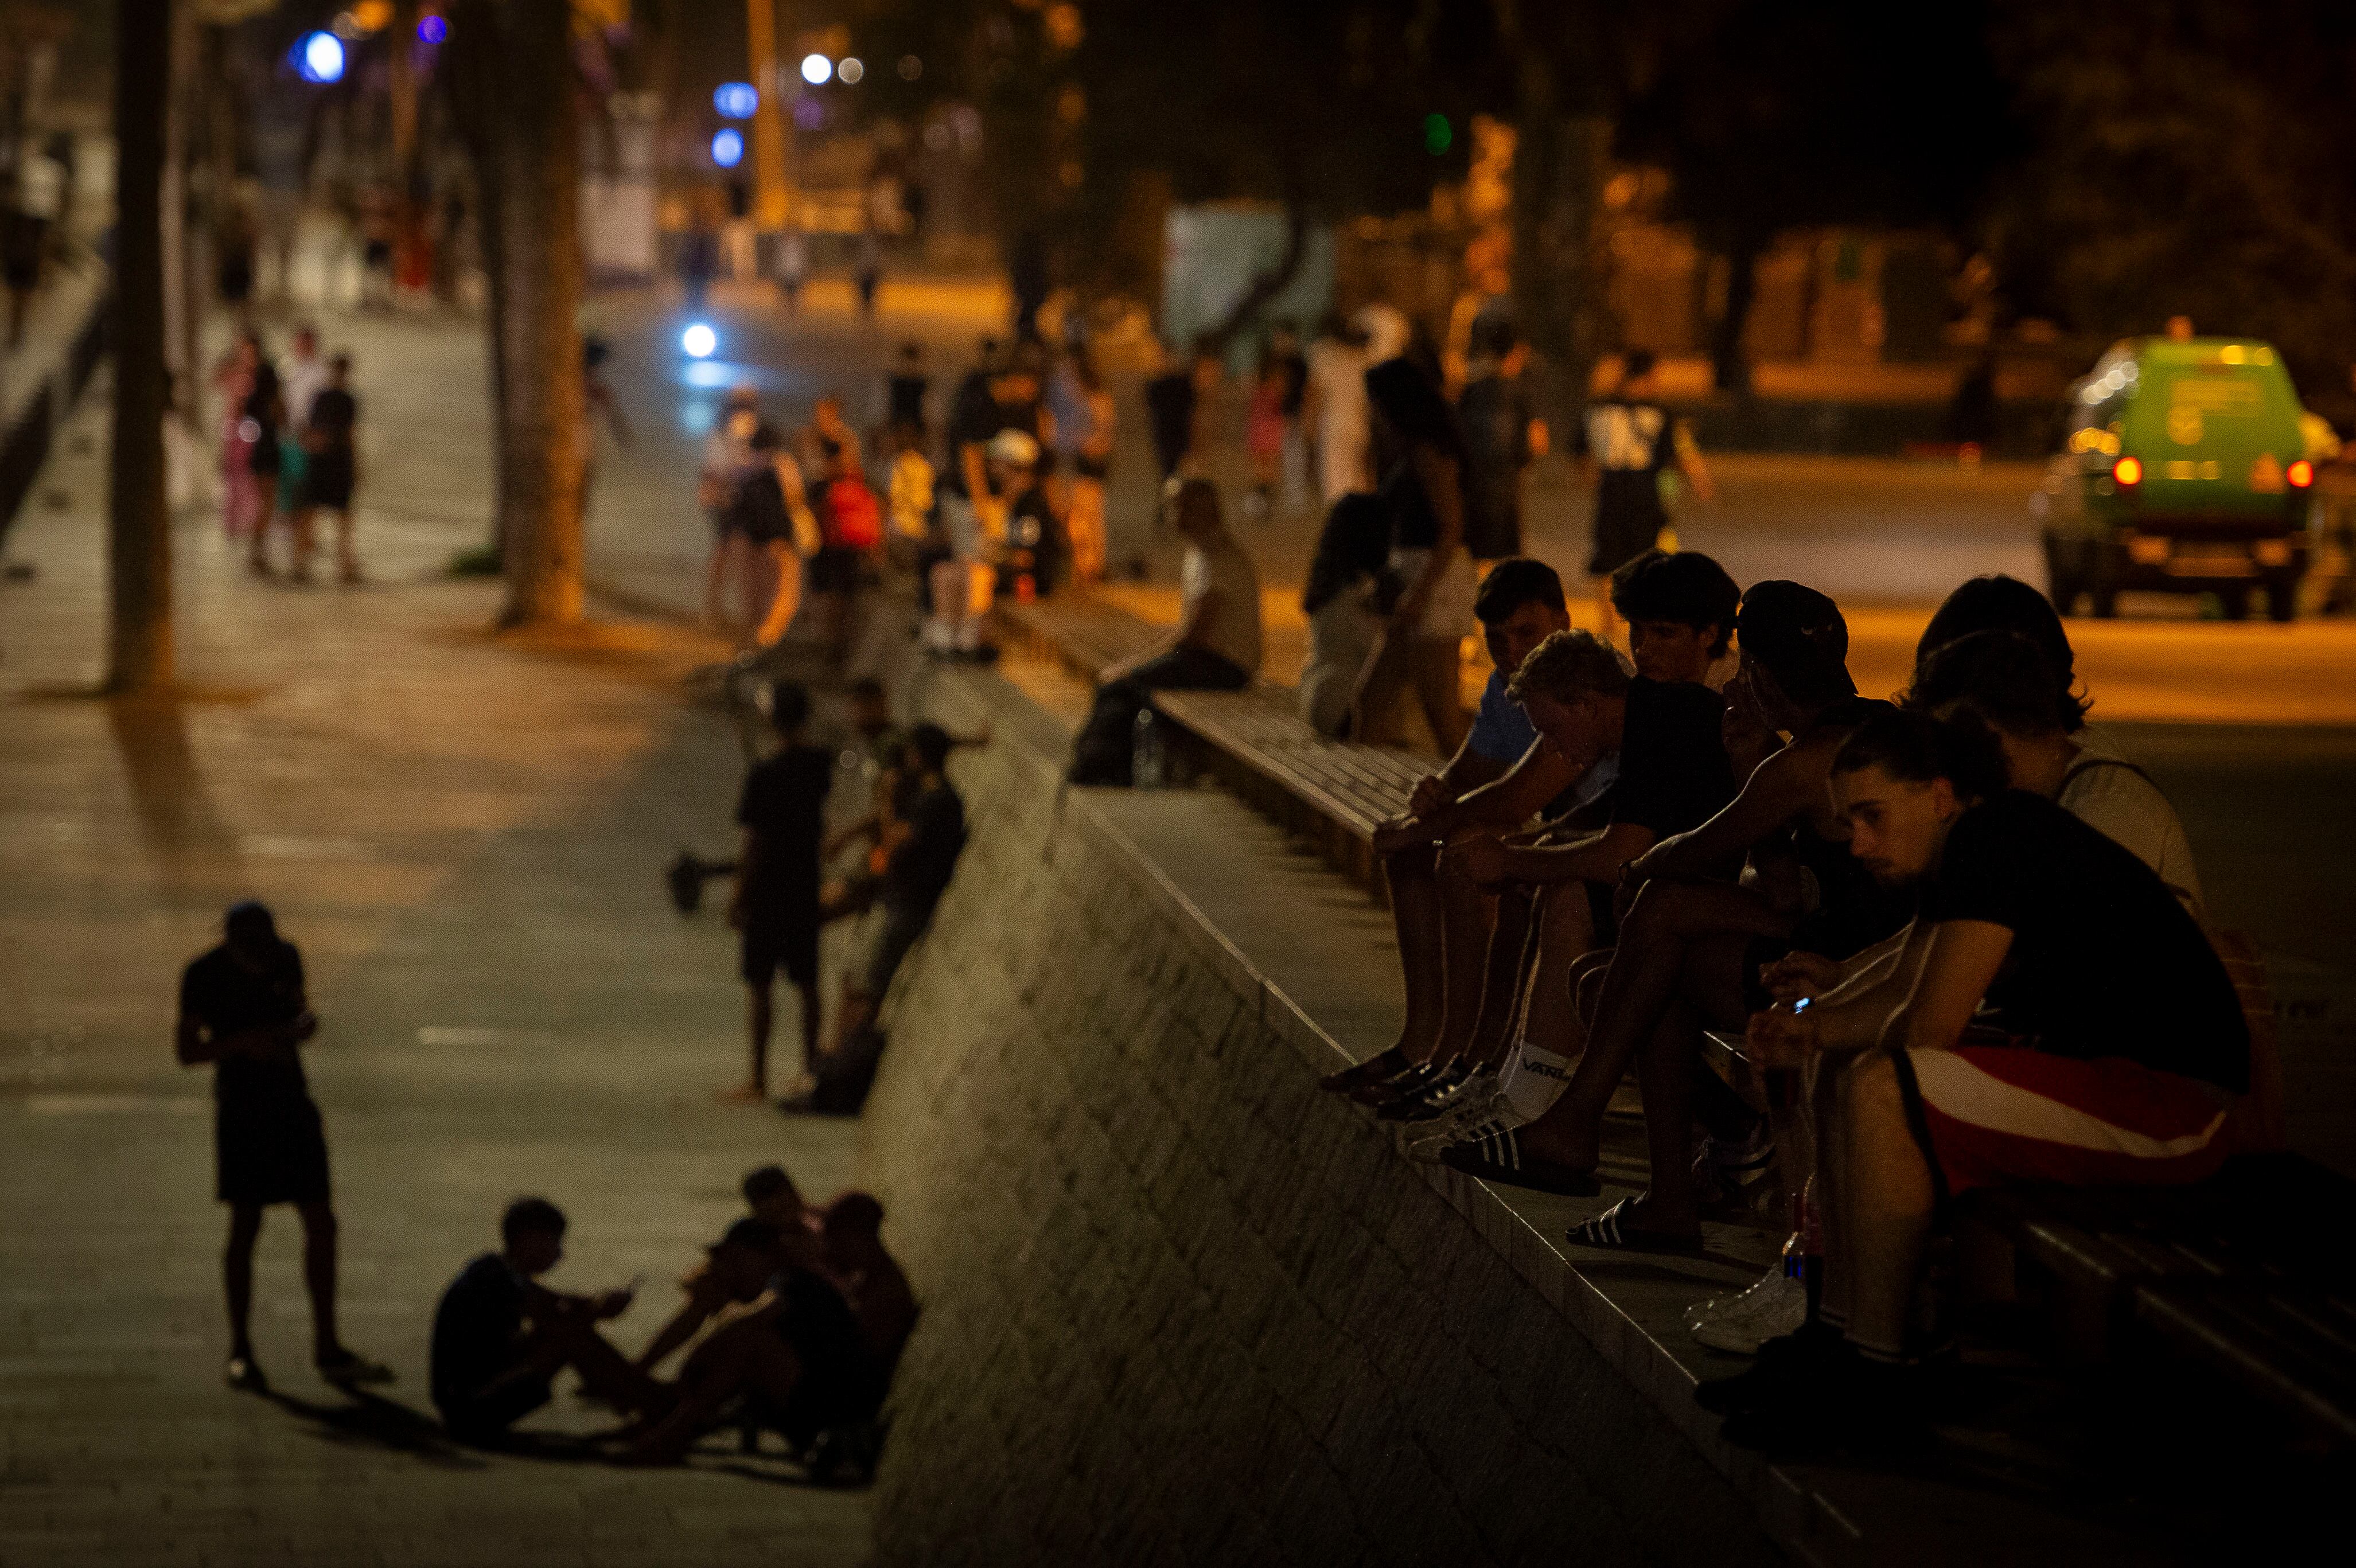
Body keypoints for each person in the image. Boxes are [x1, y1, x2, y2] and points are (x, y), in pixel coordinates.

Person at [1710, 710, 2247, 1446]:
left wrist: (1809, 1025)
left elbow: (1929, 1023)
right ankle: (1835, 1337)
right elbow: (1894, 989)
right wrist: (1807, 1022)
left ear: (1936, 794)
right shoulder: (1971, 842)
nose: (1856, 843)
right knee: (1845, 1066)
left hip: (2174, 1108)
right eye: (1848, 823)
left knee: (1882, 1083)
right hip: (2114, 1083)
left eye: (1871, 817)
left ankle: (1883, 1366)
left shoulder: (1994, 839)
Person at [1442, 582, 1898, 1242]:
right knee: (1647, 946)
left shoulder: (1804, 762)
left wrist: (1637, 871)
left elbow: (1694, 849)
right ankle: (1641, 1168)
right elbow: (1783, 894)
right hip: (1843, 941)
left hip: (1847, 973)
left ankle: (1622, 1154)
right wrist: (1744, 757)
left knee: (1651, 952)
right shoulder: (1858, 729)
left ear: (1760, 676)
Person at [1373, 551, 1745, 1146]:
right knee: (1546, 892)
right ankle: (1480, 1069)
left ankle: (1525, 1105)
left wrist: (1512, 855)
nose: (1645, 650)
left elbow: (1609, 845)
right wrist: (1525, 846)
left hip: (1718, 912)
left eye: (1664, 633)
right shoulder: (1659, 703)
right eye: (1638, 632)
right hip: (1681, 900)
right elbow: (1615, 816)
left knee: (1569, 900)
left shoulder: (1687, 709)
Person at [1326, 561, 1585, 1103]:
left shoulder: (1577, 688)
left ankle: (1462, 1054)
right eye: (1496, 640)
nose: (1511, 652)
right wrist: (1432, 797)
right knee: (1415, 852)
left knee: (1462, 858)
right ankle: (1420, 1043)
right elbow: (1468, 772)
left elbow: (1518, 796)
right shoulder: (1506, 686)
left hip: (1592, 847)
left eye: (1525, 634)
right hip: (1549, 836)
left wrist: (1425, 826)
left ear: (1563, 621)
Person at [176, 902, 390, 1393]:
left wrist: (300, 1027)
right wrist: (243, 1043)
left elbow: (301, 1009)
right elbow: (187, 1051)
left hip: (290, 1099)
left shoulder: (285, 957)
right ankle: (242, 1347)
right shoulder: (204, 974)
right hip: (242, 1107)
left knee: (320, 1219)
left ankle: (326, 1341)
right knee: (246, 1222)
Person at [788, 724, 967, 1113]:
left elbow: (893, 843)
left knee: (868, 990)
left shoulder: (933, 801)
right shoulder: (934, 795)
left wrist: (887, 802)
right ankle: (834, 1064)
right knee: (856, 982)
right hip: (897, 900)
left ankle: (842, 1075)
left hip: (906, 906)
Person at [1067, 478, 1262, 785]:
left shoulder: (1218, 556)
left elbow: (1194, 632)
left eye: (1178, 506)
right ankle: (1105, 768)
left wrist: (1132, 664)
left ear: (1202, 509)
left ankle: (1102, 771)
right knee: (1124, 682)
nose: (1172, 515)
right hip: (1210, 657)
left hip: (1225, 665)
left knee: (1120, 686)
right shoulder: (1201, 551)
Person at [429, 1198, 667, 1444]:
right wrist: (596, 1310)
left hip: (473, 1399)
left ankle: (646, 1402)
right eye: (554, 1242)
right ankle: (652, 1404)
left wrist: (596, 1305)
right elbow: (555, 1317)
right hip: (470, 1411)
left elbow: (557, 1302)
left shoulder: (497, 1271)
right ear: (529, 1239)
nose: (559, 1253)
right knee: (569, 1335)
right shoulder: (492, 1278)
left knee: (569, 1331)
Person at [1353, 357, 1473, 754]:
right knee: (1371, 700)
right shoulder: (1411, 450)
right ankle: (1373, 799)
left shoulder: (1427, 452)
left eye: (1375, 402)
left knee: (1438, 707)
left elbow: (1451, 524)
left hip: (1433, 581)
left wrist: (1420, 592)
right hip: (1419, 579)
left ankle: (1473, 801)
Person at [723, 681, 831, 1104]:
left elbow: (755, 842)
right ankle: (809, 1070)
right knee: (807, 983)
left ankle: (758, 1078)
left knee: (761, 984)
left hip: (769, 889)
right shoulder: (817, 766)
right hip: (805, 884)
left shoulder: (765, 775)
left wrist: (738, 895)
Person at [636, 1168, 821, 1375]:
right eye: (765, 1201)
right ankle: (643, 1368)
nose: (776, 1206)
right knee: (706, 1299)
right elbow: (712, 1267)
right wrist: (697, 1280)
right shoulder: (749, 1230)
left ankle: (694, 1387)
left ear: (794, 1196)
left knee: (742, 1324)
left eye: (780, 1197)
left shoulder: (815, 1228)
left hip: (796, 1309)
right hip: (752, 1297)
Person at [1584, 350, 1714, 638]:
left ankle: (1609, 628)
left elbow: (1582, 457)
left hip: (1610, 495)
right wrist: (1695, 482)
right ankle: (1640, 622)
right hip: (1646, 497)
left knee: (1605, 562)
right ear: (1650, 376)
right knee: (1650, 562)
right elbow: (1673, 457)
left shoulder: (1599, 410)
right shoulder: (1659, 413)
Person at [1298, 493, 1394, 736]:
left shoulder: (1328, 586)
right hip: (1345, 711)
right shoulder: (1360, 592)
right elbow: (1381, 652)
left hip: (1316, 700)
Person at [1456, 318, 1548, 563]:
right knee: (1505, 558)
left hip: (1473, 485)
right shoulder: (1521, 393)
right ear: (1517, 352)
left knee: (1475, 554)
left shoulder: (1469, 391)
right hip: (1506, 487)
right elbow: (1537, 443)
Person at [732, 423, 817, 650]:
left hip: (753, 536)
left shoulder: (746, 465)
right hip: (779, 536)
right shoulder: (783, 464)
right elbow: (794, 499)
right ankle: (769, 635)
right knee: (784, 588)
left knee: (754, 587)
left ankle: (753, 632)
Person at [293, 353, 362, 585]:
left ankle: (338, 565)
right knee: (318, 513)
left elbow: (349, 433)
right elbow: (310, 430)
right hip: (329, 460)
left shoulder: (339, 399)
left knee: (331, 514)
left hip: (334, 460)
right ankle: (308, 564)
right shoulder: (329, 398)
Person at [700, 388, 762, 627]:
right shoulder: (738, 428)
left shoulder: (719, 431)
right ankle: (719, 608)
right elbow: (722, 468)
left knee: (729, 552)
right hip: (731, 499)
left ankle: (719, 608)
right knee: (733, 552)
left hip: (731, 498)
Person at [1303, 312, 1374, 505]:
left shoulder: (1324, 357)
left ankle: (1345, 526)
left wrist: (1309, 425)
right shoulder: (1364, 359)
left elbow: (1314, 396)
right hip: (1360, 425)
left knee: (1336, 482)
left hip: (1334, 426)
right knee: (1359, 478)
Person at [885, 341, 929, 438]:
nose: (909, 365)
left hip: (909, 422)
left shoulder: (918, 383)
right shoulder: (898, 382)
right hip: (903, 422)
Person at [777, 221, 810, 315]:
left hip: (795, 272)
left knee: (795, 292)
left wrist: (804, 271)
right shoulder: (784, 245)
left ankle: (794, 309)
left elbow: (803, 259)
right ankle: (788, 309)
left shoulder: (799, 245)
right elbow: (780, 259)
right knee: (787, 292)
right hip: (787, 272)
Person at [855, 228, 883, 316]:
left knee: (869, 290)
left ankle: (867, 307)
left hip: (869, 270)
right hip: (865, 269)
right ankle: (866, 307)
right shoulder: (865, 243)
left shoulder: (874, 244)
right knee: (865, 289)